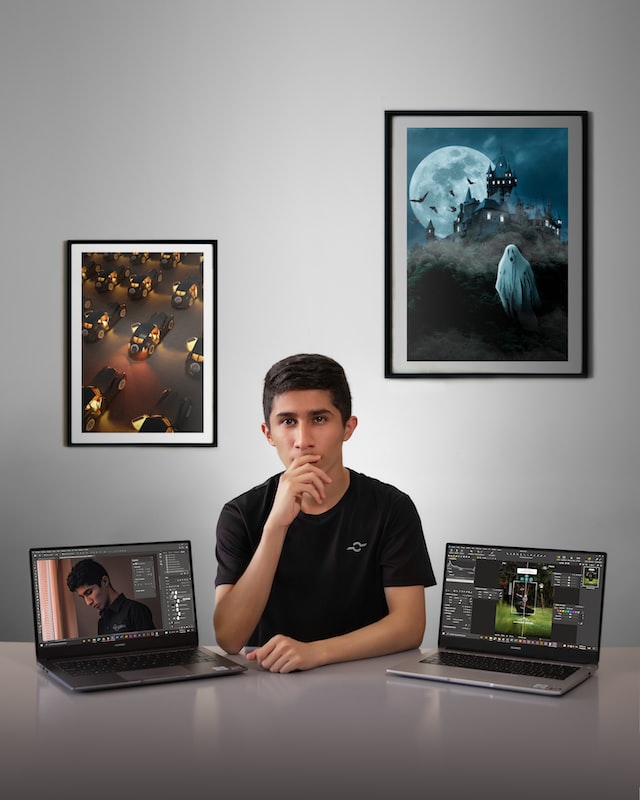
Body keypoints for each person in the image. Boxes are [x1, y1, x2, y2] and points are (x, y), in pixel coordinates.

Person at [214, 353, 436, 673]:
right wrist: (276, 525)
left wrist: (315, 652)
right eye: (288, 421)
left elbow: (410, 626)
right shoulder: (240, 514)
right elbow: (229, 637)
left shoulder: (391, 507)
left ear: (348, 427)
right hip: (269, 686)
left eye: (319, 419)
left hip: (366, 682)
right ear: (268, 433)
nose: (303, 441)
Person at [66, 558, 155, 635]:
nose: (88, 602)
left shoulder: (136, 610)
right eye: (82, 597)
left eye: (89, 592)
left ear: (105, 581)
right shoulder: (101, 623)